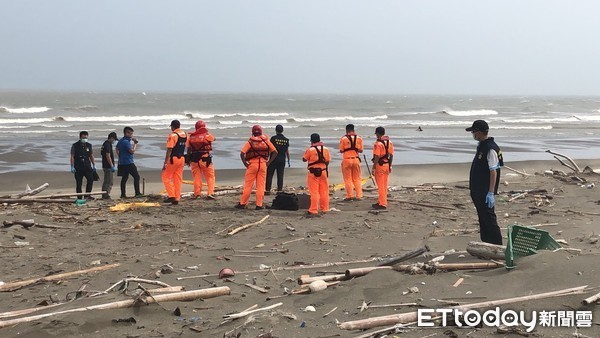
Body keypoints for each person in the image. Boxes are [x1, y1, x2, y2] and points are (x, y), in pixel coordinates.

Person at [466, 120, 504, 245]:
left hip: (485, 191)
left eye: (474, 131)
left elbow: (494, 171)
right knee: (482, 218)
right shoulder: (482, 146)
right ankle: (487, 243)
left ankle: (498, 246)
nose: (473, 134)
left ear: (480, 132)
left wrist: (491, 192)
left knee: (489, 219)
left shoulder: (490, 148)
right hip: (477, 189)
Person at [236, 125, 277, 210]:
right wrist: (268, 162)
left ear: (253, 132)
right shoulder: (266, 141)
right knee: (261, 185)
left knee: (248, 185)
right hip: (263, 165)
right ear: (261, 131)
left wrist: (245, 164)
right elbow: (275, 152)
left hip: (252, 165)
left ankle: (243, 203)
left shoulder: (250, 142)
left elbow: (242, 153)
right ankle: (259, 205)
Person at [186, 120, 216, 199]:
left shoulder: (191, 137)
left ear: (196, 127)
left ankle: (197, 194)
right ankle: (210, 193)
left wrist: (188, 159)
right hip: (205, 159)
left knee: (196, 177)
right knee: (210, 176)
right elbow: (214, 139)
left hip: (194, 160)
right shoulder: (207, 136)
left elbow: (188, 149)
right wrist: (206, 132)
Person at [303, 133, 331, 216]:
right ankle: (325, 208)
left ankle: (313, 209)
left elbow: (304, 159)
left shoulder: (310, 150)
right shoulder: (326, 149)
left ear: (311, 141)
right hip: (323, 171)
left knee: (314, 191)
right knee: (324, 191)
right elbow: (328, 161)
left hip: (313, 173)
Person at [162, 120, 187, 205]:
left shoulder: (172, 136)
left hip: (174, 159)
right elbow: (188, 146)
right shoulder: (185, 134)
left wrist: (165, 162)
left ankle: (171, 195)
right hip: (182, 158)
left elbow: (169, 149)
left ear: (173, 127)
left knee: (165, 177)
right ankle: (177, 197)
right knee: (178, 179)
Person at [339, 124, 364, 201]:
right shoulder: (359, 138)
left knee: (348, 179)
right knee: (357, 178)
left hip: (347, 159)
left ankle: (349, 195)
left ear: (346, 130)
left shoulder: (343, 139)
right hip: (356, 159)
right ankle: (359, 195)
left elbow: (341, 150)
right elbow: (361, 150)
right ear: (353, 130)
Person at [372, 126, 394, 209]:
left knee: (380, 185)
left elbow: (377, 156)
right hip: (387, 165)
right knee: (384, 185)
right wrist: (390, 165)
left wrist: (373, 167)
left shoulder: (378, 144)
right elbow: (391, 155)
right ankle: (381, 201)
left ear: (377, 134)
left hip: (380, 166)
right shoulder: (389, 142)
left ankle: (382, 203)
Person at [115, 126, 141, 198]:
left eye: (132, 134)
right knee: (136, 177)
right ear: (126, 133)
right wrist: (135, 144)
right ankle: (137, 193)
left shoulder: (121, 141)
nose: (131, 135)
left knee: (124, 178)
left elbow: (117, 148)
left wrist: (120, 156)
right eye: (130, 134)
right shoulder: (126, 142)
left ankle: (123, 194)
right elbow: (132, 151)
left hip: (122, 162)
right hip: (128, 162)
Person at [70, 131, 96, 200]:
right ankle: (79, 197)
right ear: (80, 137)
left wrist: (94, 165)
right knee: (79, 183)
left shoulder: (89, 145)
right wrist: (72, 166)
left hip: (87, 166)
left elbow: (91, 155)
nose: (85, 139)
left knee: (90, 180)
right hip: (78, 167)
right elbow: (72, 156)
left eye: (86, 137)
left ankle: (87, 195)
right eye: (83, 137)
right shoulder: (75, 145)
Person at [266, 124, 290, 195]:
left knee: (270, 175)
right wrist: (288, 160)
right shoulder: (286, 140)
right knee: (280, 175)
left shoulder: (273, 138)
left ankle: (267, 190)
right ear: (282, 130)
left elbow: (270, 149)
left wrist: (267, 158)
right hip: (282, 159)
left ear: (276, 130)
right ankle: (279, 191)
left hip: (273, 159)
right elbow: (287, 151)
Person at [100, 132, 118, 199]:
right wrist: (111, 165)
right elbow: (108, 155)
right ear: (111, 138)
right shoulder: (107, 144)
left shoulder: (105, 144)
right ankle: (106, 195)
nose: (114, 141)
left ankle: (104, 194)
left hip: (105, 165)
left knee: (106, 181)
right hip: (108, 166)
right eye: (114, 139)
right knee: (109, 182)